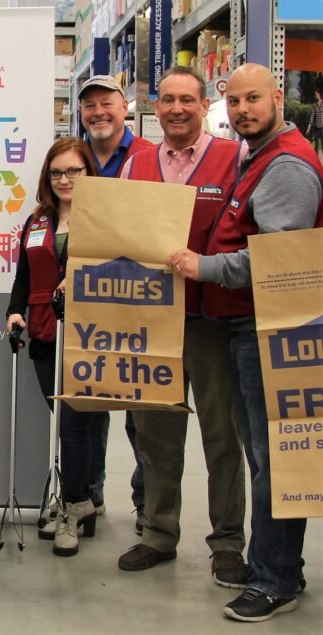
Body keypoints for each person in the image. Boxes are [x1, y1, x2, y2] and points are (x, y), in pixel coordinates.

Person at [169, 63, 322, 622]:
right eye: (233, 102)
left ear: (277, 96)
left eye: (253, 99)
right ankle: (278, 568)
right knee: (264, 454)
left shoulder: (286, 165)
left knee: (271, 458)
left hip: (268, 328)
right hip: (245, 326)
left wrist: (205, 266)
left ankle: (274, 579)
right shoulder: (257, 157)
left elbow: (281, 261)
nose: (242, 111)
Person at [117, 67, 248, 586]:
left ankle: (227, 542)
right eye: (167, 99)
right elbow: (120, 233)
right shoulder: (136, 164)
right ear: (156, 106)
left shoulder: (234, 158)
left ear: (203, 105)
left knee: (222, 434)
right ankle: (158, 532)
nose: (176, 109)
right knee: (156, 434)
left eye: (186, 100)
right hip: (153, 321)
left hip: (213, 319)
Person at [6, 137, 103, 557]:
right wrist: (15, 310)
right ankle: (81, 502)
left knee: (75, 426)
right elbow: (23, 275)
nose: (65, 179)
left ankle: (74, 506)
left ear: (88, 173)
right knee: (60, 420)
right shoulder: (37, 221)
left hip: (90, 335)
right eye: (57, 172)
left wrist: (80, 276)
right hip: (45, 333)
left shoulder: (104, 219)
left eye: (73, 171)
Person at [78, 74, 153, 525]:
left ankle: (146, 502)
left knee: (142, 409)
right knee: (89, 402)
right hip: (90, 299)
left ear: (124, 107)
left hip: (142, 299)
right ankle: (90, 494)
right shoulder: (75, 158)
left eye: (107, 102)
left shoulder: (148, 156)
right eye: (90, 105)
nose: (98, 112)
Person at [307, 87, 323, 156]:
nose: (315, 96)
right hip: (317, 127)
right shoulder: (315, 105)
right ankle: (316, 159)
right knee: (316, 145)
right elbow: (312, 117)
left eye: (316, 94)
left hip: (322, 127)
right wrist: (309, 128)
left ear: (319, 94)